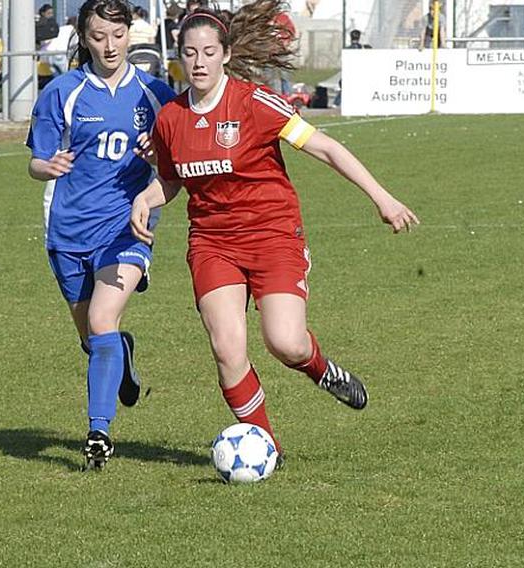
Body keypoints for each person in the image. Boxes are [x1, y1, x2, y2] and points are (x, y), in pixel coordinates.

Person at [130, 1, 419, 457]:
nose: (199, 61)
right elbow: (171, 180)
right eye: (190, 52)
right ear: (179, 57)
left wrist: (381, 197)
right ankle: (265, 446)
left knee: (285, 342)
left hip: (272, 235)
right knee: (227, 350)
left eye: (208, 51)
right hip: (212, 243)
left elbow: (324, 148)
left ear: (225, 54)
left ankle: (321, 369)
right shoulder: (171, 119)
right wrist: (145, 200)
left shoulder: (253, 102)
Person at [25, 0, 176, 470]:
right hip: (69, 230)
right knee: (95, 338)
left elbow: (179, 165)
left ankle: (98, 433)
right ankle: (120, 354)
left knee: (102, 319)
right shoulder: (62, 92)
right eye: (98, 37)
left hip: (125, 226)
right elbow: (35, 161)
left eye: (117, 35)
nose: (109, 46)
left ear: (130, 34)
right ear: (83, 38)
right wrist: (44, 166)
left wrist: (160, 155)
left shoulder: (156, 93)